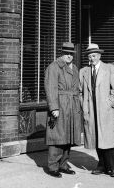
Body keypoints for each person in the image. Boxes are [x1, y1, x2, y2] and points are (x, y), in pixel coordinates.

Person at [80, 43, 114, 178]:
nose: (91, 58)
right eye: (89, 56)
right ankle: (101, 165)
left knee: (108, 140)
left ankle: (112, 167)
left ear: (99, 56)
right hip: (91, 111)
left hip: (105, 111)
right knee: (97, 139)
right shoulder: (84, 72)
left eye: (94, 55)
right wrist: (84, 107)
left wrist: (108, 104)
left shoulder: (109, 69)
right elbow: (80, 92)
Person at [44, 41, 82, 178]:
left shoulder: (75, 68)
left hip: (72, 106)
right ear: (61, 53)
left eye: (71, 54)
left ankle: (63, 164)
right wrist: (54, 107)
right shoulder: (54, 67)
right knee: (57, 137)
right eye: (66, 53)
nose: (69, 56)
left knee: (68, 137)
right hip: (60, 105)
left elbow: (77, 89)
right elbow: (50, 88)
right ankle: (53, 166)